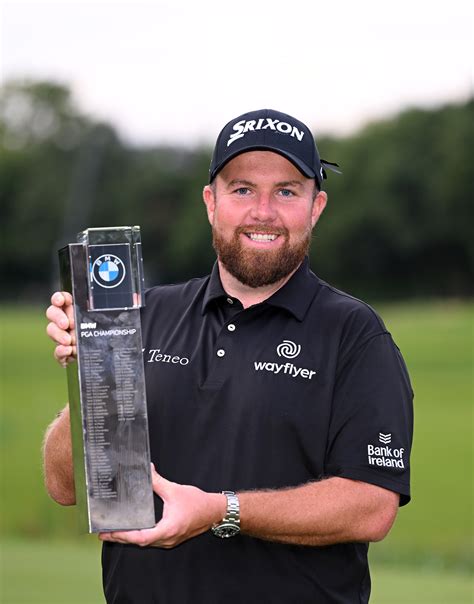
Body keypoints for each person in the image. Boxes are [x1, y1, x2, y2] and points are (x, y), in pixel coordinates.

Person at [44, 108, 414, 603]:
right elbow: (65, 485)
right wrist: (93, 370)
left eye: (286, 191)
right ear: (210, 202)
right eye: (242, 189)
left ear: (316, 206)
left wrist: (222, 510)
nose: (263, 211)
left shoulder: (354, 334)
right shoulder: (145, 314)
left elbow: (371, 506)